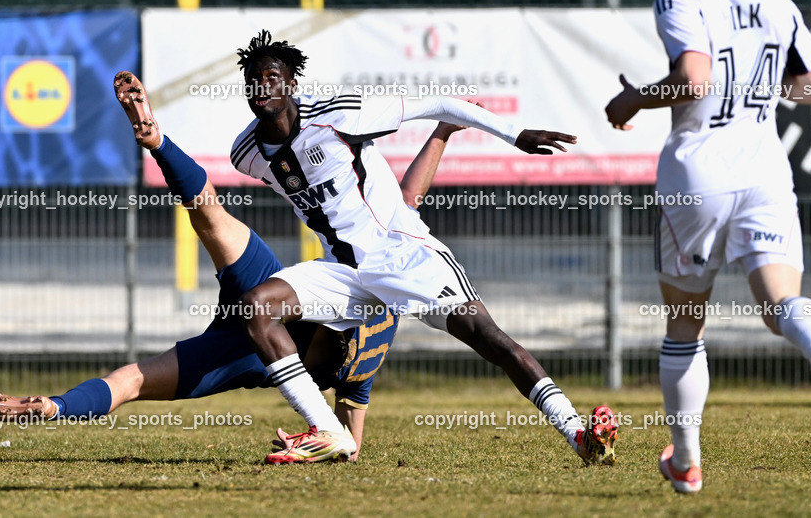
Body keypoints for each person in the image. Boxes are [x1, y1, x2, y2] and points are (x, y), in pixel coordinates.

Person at [0, 73, 463, 462]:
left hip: (249, 344)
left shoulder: (374, 301)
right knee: (205, 225)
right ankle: (158, 141)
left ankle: (53, 407)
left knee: (204, 224)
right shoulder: (376, 314)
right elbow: (408, 200)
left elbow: (407, 199)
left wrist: (441, 130)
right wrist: (441, 129)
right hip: (268, 308)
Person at [226, 30, 618, 465]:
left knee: (486, 337)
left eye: (271, 77)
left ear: (290, 83)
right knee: (256, 307)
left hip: (403, 255)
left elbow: (440, 104)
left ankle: (577, 432)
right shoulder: (245, 154)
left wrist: (515, 134)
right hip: (344, 272)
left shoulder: (338, 114)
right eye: (253, 80)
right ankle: (329, 433)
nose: (262, 88)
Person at [604, 0, 811, 493]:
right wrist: (756, 82)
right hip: (764, 168)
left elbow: (693, 81)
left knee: (685, 325)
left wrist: (635, 101)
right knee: (782, 305)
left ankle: (687, 461)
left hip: (700, 171)